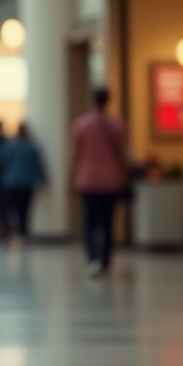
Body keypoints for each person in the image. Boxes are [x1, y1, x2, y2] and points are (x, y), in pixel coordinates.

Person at [71, 89, 128, 277]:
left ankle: (93, 259)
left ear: (91, 100)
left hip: (88, 180)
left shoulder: (82, 124)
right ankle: (105, 261)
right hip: (112, 181)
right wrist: (124, 176)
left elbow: (76, 155)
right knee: (108, 224)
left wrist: (71, 178)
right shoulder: (117, 125)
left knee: (89, 223)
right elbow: (122, 155)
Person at [0, 123, 48, 240]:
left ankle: (11, 231)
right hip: (26, 183)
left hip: (11, 182)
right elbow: (39, 166)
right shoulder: (31, 147)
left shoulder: (9, 147)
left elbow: (0, 161)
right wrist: (44, 180)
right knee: (24, 209)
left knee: (11, 208)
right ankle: (23, 233)